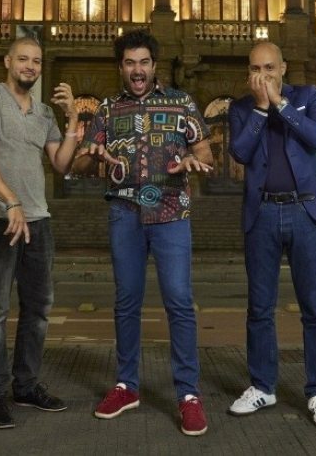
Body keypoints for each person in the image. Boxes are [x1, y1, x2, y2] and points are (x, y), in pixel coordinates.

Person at [72, 29, 213, 437]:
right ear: (122, 68)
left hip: (171, 213)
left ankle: (188, 394)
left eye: (144, 62)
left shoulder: (181, 102)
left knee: (180, 302)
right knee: (126, 302)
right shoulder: (107, 108)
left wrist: (190, 158)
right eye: (130, 63)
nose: (138, 70)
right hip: (124, 214)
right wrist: (91, 153)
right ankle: (126, 385)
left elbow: (205, 151)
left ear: (154, 65)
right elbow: (78, 167)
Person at [0, 36, 79, 429]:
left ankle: (26, 386)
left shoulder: (45, 112)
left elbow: (62, 165)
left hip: (37, 221)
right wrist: (9, 201)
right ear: (8, 61)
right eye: (23, 59)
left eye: (36, 61)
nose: (30, 66)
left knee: (38, 310)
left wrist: (71, 123)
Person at [227, 41, 316, 430]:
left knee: (315, 308)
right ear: (248, 72)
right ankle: (262, 386)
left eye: (270, 67)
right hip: (262, 215)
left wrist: (281, 105)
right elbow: (239, 152)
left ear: (284, 68)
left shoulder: (307, 97)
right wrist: (261, 108)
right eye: (257, 68)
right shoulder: (241, 108)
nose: (264, 75)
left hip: (305, 211)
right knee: (259, 307)